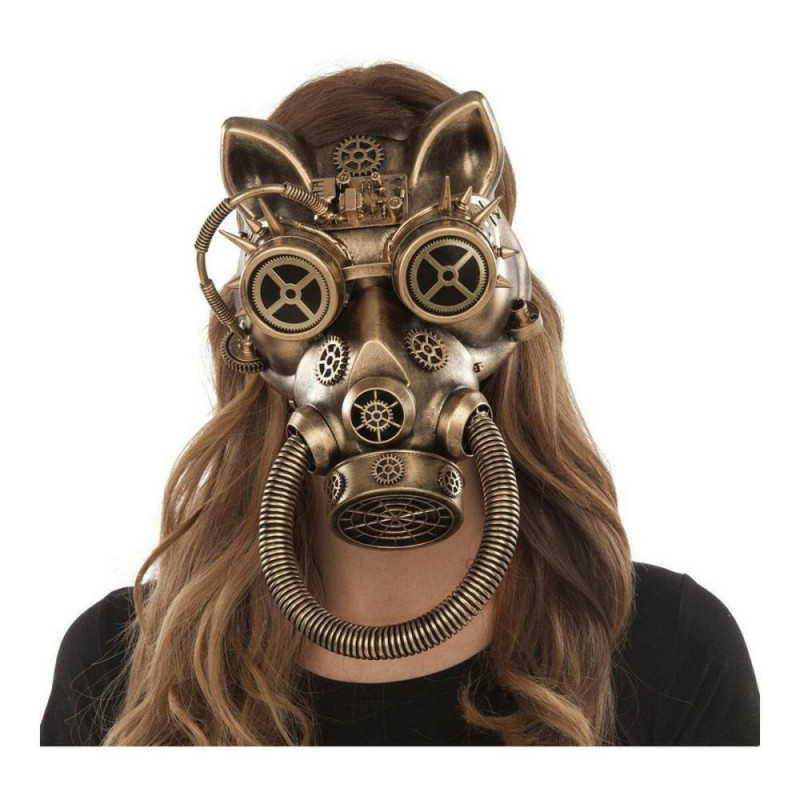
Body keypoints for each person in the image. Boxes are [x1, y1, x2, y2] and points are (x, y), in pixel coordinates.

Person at [40, 63, 759, 746]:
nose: (375, 346)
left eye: (438, 272)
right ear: (253, 328)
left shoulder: (672, 652)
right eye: (310, 290)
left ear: (509, 303)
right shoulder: (120, 664)